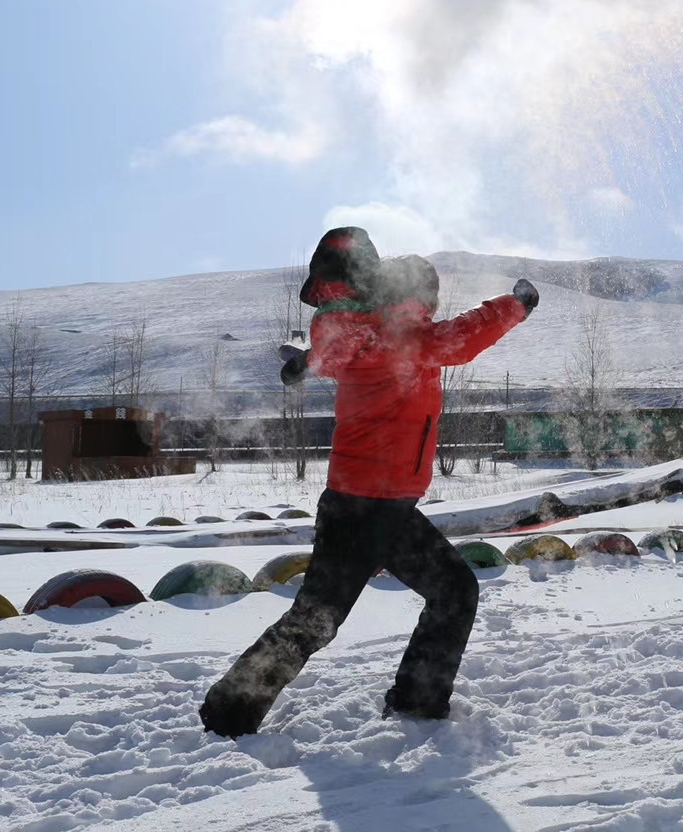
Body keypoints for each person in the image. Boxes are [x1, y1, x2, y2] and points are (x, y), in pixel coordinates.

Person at [199, 227, 539, 738]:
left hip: (365, 504)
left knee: (325, 617)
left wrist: (302, 364)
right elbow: (463, 339)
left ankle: (232, 710)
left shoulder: (358, 332)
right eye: (427, 296)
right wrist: (516, 305)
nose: (431, 305)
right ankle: (413, 705)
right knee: (444, 593)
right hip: (373, 507)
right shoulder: (405, 339)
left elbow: (334, 354)